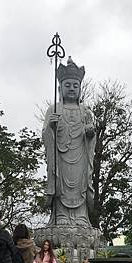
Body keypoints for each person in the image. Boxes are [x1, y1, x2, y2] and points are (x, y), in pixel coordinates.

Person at [42, 56, 95, 227]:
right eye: (67, 85)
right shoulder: (54, 109)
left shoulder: (85, 111)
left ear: (80, 88)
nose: (71, 88)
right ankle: (61, 216)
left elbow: (91, 132)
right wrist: (51, 126)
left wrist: (90, 133)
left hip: (80, 155)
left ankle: (80, 216)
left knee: (80, 185)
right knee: (61, 184)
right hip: (61, 157)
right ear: (60, 88)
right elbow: (45, 133)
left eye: (75, 85)